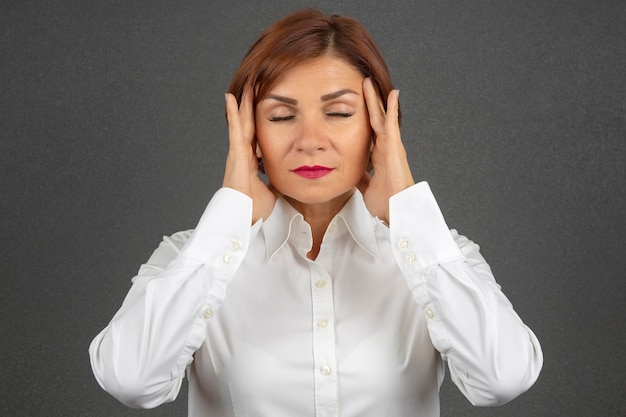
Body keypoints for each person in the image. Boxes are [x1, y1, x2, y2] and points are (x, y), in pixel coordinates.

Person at [89, 9, 542, 417]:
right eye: (282, 116)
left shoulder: (441, 255)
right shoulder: (190, 257)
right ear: (248, 135)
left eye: (339, 113)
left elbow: (502, 379)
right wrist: (229, 215)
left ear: (379, 126)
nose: (310, 140)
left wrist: (408, 210)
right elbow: (130, 381)